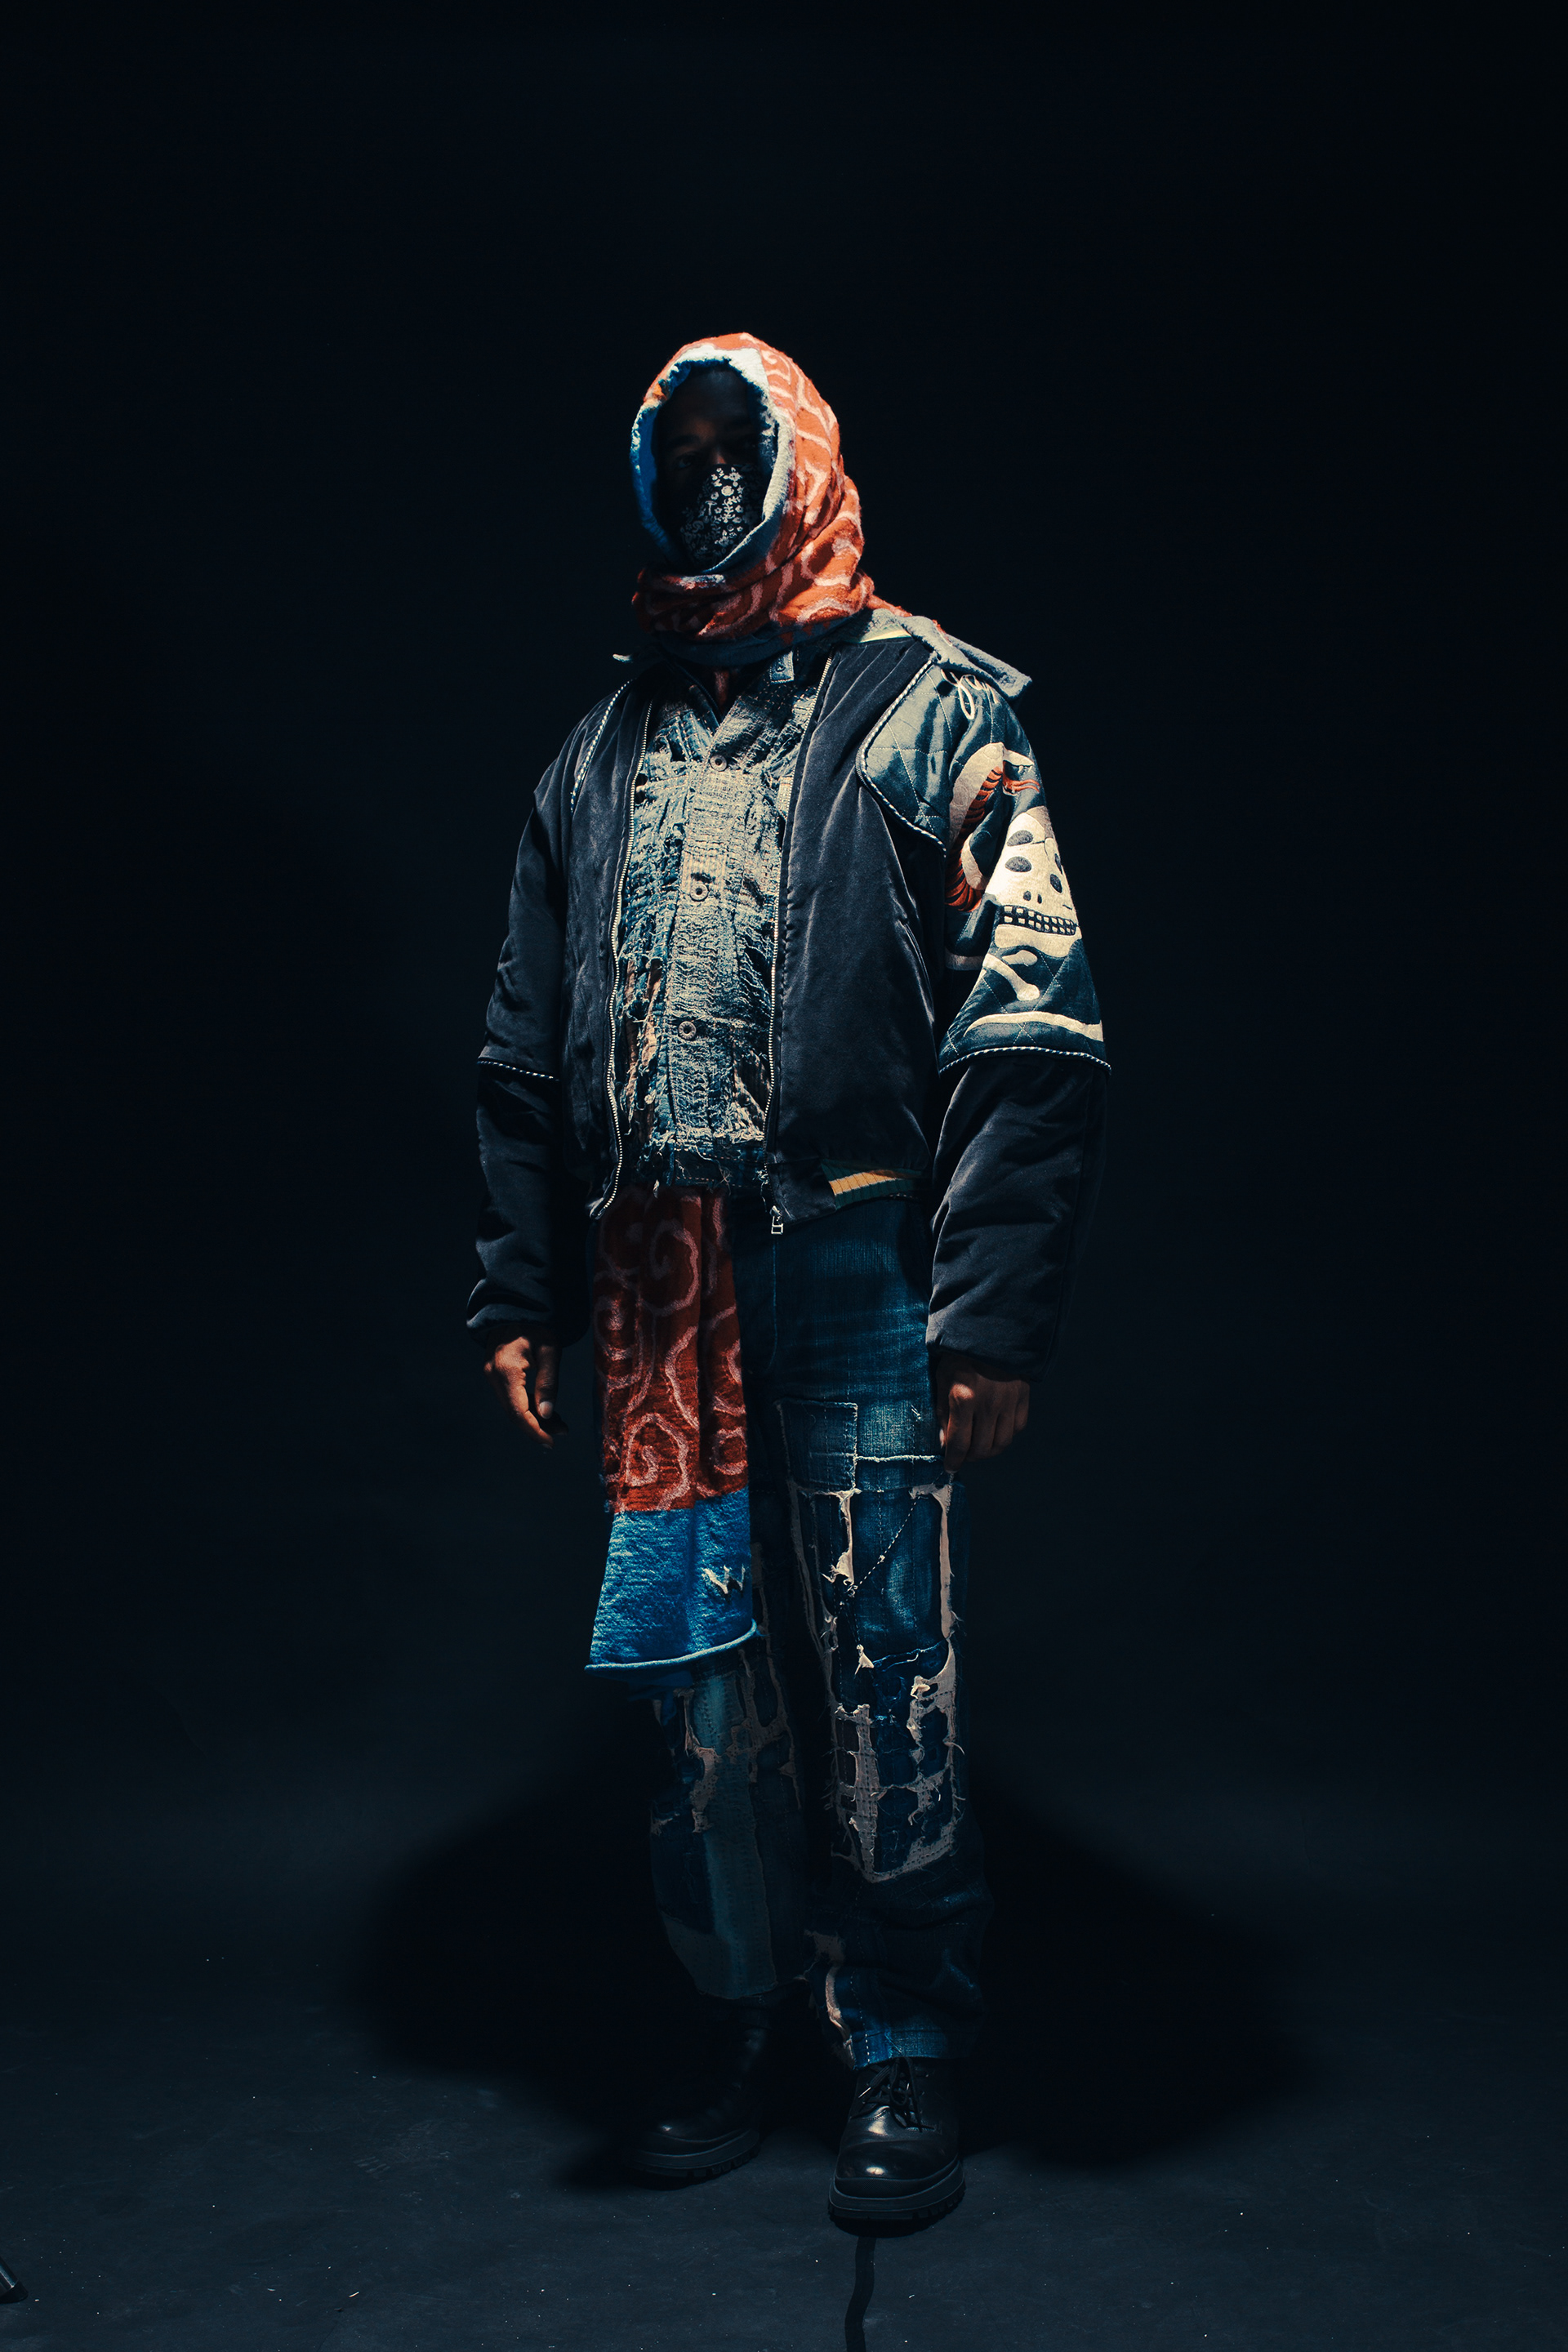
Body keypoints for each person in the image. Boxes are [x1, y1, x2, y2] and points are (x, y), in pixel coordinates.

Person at [470, 333, 1107, 2227]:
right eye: (678, 454)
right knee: (702, 1682)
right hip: (659, 1279)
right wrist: (521, 1288)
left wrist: (989, 1309)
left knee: (887, 1663)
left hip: (857, 1258)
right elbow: (522, 1045)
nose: (710, 485)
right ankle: (735, 2009)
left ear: (803, 458)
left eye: (737, 447)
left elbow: (1035, 1023)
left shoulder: (933, 707)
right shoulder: (595, 753)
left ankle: (901, 2038)